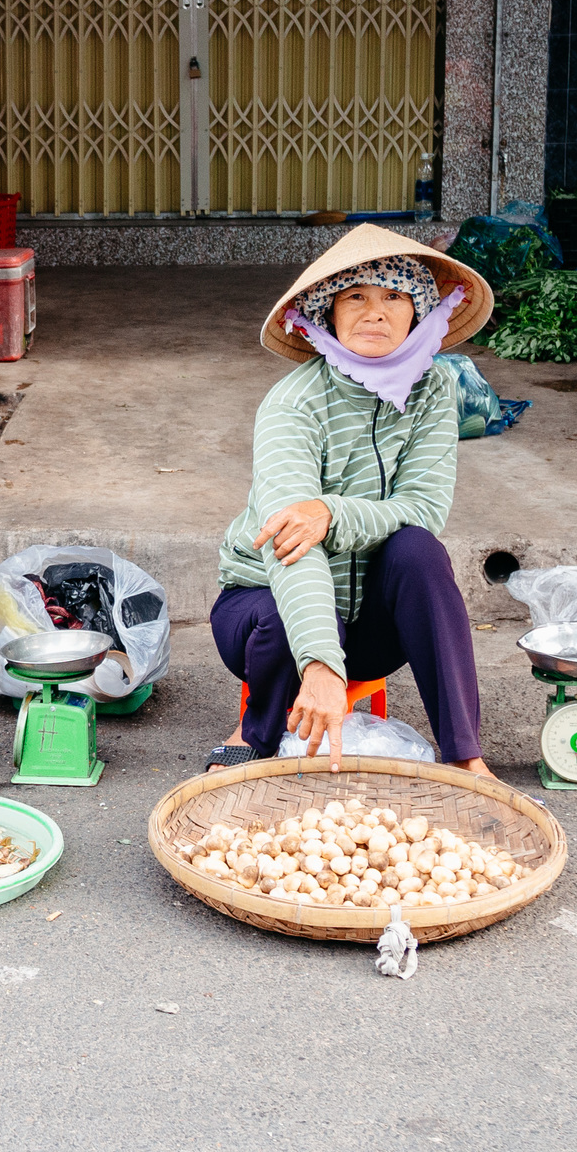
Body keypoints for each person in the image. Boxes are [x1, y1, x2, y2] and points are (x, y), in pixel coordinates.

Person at [207, 224, 496, 776]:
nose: (375, 312)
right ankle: (254, 728)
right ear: (327, 313)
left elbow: (424, 508)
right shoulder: (294, 404)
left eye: (395, 297)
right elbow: (288, 543)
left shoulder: (435, 390)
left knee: (420, 552)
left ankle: (465, 755)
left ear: (418, 314)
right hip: (269, 613)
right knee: (275, 605)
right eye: (356, 297)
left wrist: (332, 512)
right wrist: (319, 662)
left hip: (370, 624)